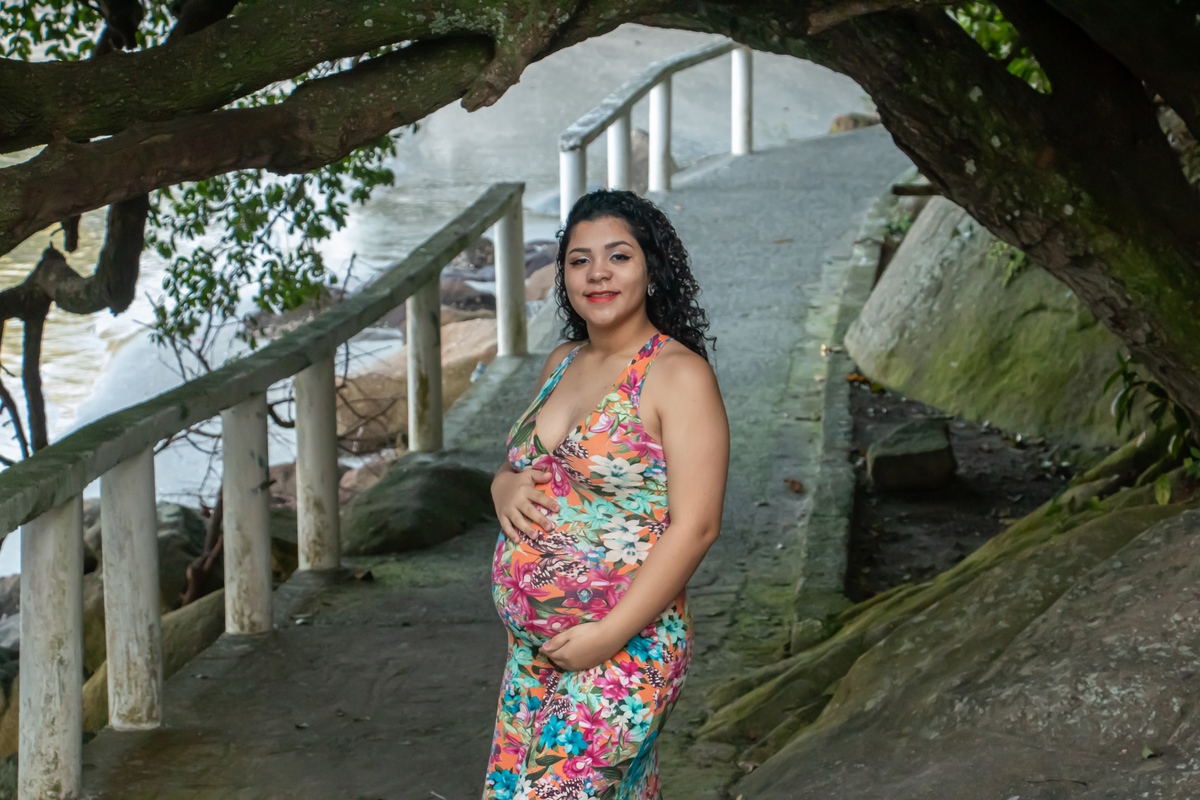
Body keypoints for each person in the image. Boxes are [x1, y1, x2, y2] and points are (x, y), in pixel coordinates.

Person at [483, 189, 730, 800]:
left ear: (651, 268)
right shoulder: (562, 361)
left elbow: (697, 525)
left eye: (618, 256)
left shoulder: (678, 375)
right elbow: (527, 466)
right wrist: (501, 484)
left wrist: (609, 632)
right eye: (579, 260)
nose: (597, 273)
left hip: (623, 651)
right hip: (533, 654)